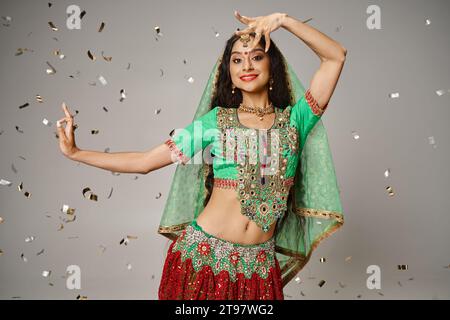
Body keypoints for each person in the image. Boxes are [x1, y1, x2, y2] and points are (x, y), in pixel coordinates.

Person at [56, 11, 347, 300]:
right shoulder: (216, 122)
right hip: (202, 262)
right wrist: (76, 153)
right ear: (229, 75)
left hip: (258, 271)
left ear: (273, 65)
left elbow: (335, 56)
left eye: (256, 56)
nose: (246, 64)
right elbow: (145, 162)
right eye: (237, 59)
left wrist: (283, 21)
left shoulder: (295, 121)